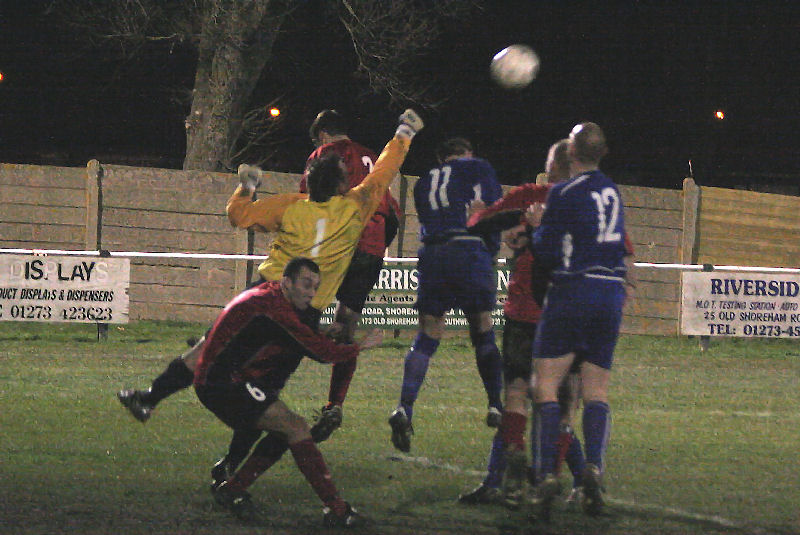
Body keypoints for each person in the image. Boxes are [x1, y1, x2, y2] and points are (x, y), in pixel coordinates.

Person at [117, 109, 424, 482]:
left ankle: (150, 398)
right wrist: (404, 133)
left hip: (261, 297)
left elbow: (239, 215)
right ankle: (230, 467)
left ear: (308, 184)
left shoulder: (290, 208)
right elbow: (384, 172)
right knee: (264, 393)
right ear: (343, 186)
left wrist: (246, 183)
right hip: (300, 314)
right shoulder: (355, 209)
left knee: (206, 351)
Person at [194, 257, 382, 527]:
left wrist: (320, 330)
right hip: (221, 383)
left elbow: (290, 333)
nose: (311, 293)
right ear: (287, 282)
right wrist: (361, 346)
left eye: (315, 287)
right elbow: (323, 353)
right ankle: (338, 511)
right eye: (306, 284)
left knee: (286, 431)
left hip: (226, 378)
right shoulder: (277, 311)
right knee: (296, 428)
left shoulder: (272, 299)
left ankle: (232, 489)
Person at [458, 139, 588, 508]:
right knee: (563, 405)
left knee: (516, 393)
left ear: (551, 166)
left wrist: (480, 213)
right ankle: (559, 481)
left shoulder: (529, 195)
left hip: (524, 314)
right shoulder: (588, 206)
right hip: (568, 316)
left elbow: (479, 222)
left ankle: (503, 479)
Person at [526, 122, 634, 520]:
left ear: (571, 153)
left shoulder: (565, 193)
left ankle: (544, 480)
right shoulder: (613, 191)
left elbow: (549, 251)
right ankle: (593, 470)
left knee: (546, 385)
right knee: (597, 390)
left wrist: (536, 229)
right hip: (609, 294)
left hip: (573, 290)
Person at [388, 137, 504, 453]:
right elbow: (492, 213)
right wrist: (490, 251)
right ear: (467, 154)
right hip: (469, 249)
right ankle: (496, 404)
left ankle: (404, 407)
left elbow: (429, 222)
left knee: (427, 334)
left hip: (434, 254)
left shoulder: (425, 183)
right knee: (481, 327)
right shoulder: (479, 168)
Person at [298, 109, 404, 442]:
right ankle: (335, 404)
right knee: (347, 325)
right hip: (371, 249)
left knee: (298, 318)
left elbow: (308, 198)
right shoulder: (372, 157)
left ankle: (258, 382)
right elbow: (394, 213)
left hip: (337, 244)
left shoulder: (323, 155)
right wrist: (376, 250)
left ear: (322, 136)